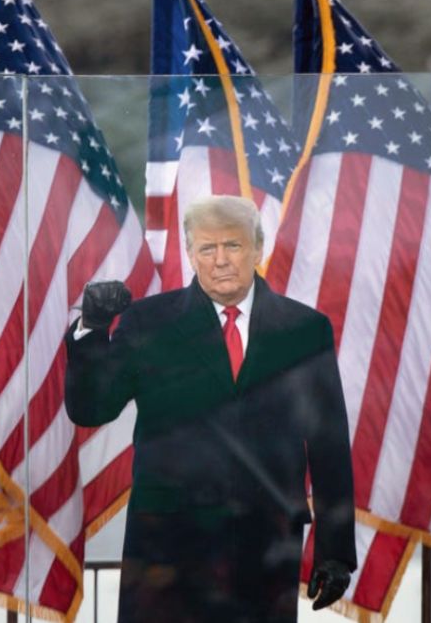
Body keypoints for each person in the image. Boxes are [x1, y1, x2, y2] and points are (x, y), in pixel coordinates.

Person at [64, 195, 356, 623]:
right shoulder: (149, 323)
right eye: (207, 248)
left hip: (265, 552)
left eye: (233, 246)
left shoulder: (305, 331)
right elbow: (91, 409)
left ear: (257, 249)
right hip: (166, 556)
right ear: (190, 253)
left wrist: (335, 553)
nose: (220, 260)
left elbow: (329, 447)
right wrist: (91, 330)